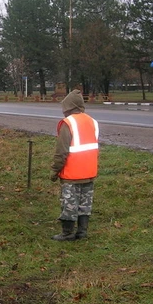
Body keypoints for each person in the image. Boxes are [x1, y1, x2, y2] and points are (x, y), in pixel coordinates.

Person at [50, 89, 99, 241]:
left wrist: (54, 170)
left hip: (72, 173)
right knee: (85, 204)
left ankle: (67, 233)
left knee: (69, 203)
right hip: (89, 172)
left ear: (68, 107)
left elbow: (61, 152)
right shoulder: (92, 121)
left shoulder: (68, 123)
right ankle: (82, 232)